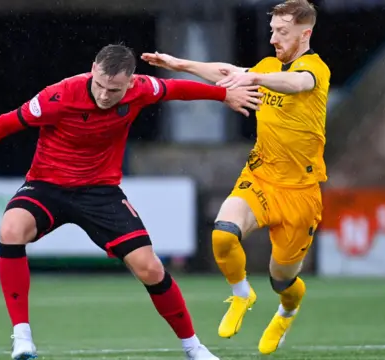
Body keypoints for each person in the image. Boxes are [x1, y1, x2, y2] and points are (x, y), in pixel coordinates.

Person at [0, 44, 263, 360]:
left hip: (100, 192)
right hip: (46, 186)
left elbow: (177, 89)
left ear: (130, 82)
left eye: (114, 90)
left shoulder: (142, 89)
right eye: (100, 85)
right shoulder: (58, 96)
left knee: (151, 268)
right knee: (11, 229)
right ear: (92, 70)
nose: (105, 95)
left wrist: (224, 94)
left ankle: (193, 349)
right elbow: (6, 123)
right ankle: (22, 336)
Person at [142, 0, 329, 355]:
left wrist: (254, 76)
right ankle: (241, 293)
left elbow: (297, 83)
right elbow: (227, 71)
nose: (274, 38)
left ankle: (287, 310)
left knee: (282, 279)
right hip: (259, 177)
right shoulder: (268, 66)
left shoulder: (313, 70)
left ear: (305, 34)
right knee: (224, 234)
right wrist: (178, 64)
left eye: (282, 32)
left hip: (300, 193)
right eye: (272, 30)